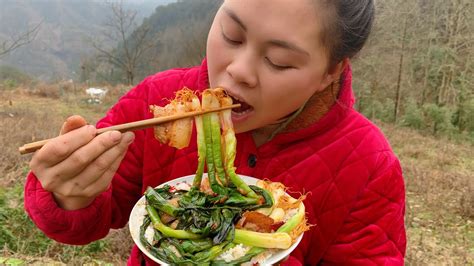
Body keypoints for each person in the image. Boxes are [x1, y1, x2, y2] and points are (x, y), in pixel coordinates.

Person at [24, 0, 406, 265]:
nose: (238, 70)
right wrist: (68, 194)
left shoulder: (369, 165)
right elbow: (95, 214)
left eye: (279, 61)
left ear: (330, 73)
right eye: (232, 34)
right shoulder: (158, 102)